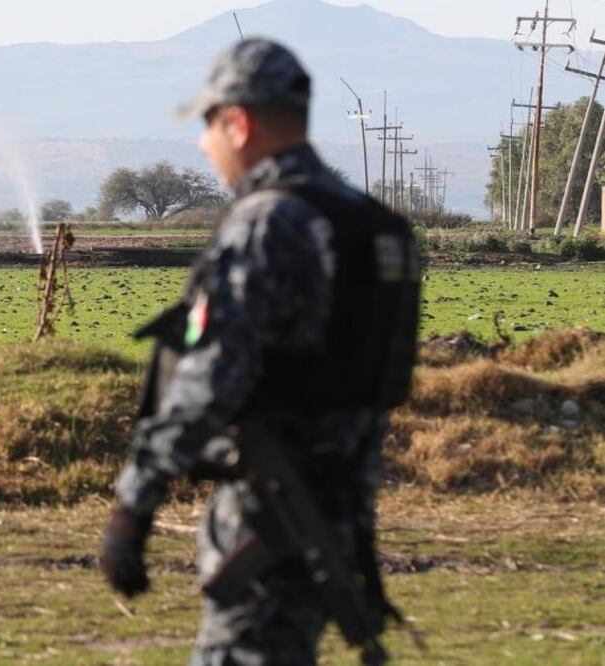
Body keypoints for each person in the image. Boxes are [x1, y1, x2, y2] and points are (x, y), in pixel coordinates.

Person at [99, 38, 421, 665]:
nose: (203, 145)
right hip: (339, 515)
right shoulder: (374, 225)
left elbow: (213, 376)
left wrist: (134, 504)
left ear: (239, 123)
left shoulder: (271, 221)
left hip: (267, 516)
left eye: (208, 126)